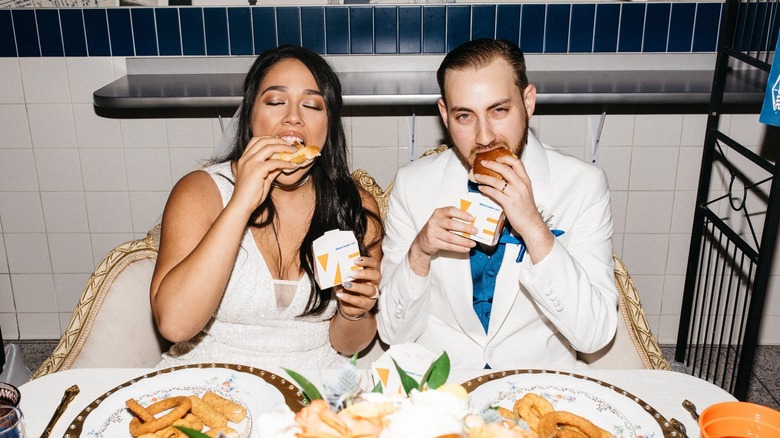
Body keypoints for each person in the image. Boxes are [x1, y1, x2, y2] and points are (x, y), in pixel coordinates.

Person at [377, 39, 618, 369]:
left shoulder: (582, 185)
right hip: (441, 386)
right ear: (445, 115)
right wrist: (418, 252)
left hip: (538, 383)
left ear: (528, 102)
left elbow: (595, 335)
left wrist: (535, 228)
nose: (484, 136)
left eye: (499, 110)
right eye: (465, 116)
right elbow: (393, 333)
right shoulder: (412, 185)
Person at [151, 46, 382, 371]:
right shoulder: (201, 192)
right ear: (250, 115)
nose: (293, 117)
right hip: (207, 377)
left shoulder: (353, 207)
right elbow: (174, 325)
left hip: (313, 381)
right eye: (275, 102)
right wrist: (242, 200)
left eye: (313, 105)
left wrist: (354, 311)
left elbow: (348, 344)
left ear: (327, 127)